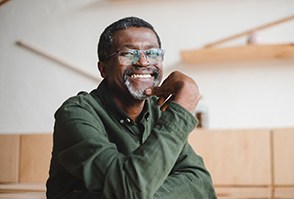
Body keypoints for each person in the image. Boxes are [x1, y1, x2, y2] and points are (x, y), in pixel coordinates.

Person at [46, 16, 217, 199]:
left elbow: (199, 181)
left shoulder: (157, 109)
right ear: (103, 69)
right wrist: (181, 108)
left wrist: (145, 194)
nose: (143, 62)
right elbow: (129, 189)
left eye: (152, 53)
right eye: (128, 54)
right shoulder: (76, 113)